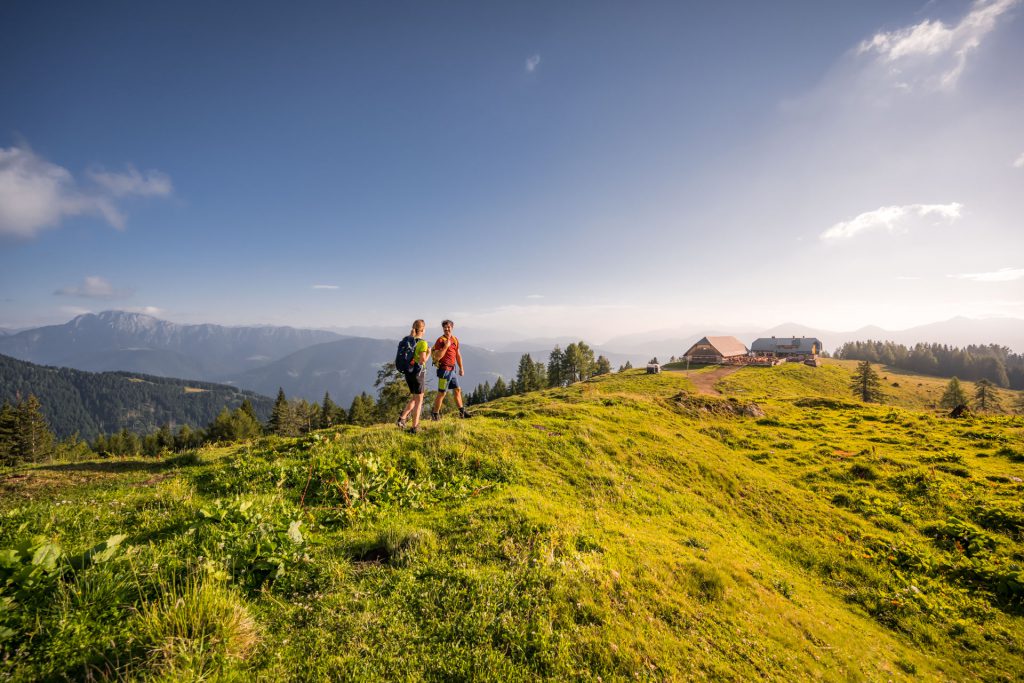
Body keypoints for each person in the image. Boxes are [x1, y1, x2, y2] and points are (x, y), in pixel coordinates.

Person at [430, 319, 471, 420]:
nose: (446, 329)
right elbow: (437, 357)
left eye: (448, 327)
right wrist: (446, 347)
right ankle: (435, 414)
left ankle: (462, 412)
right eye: (445, 327)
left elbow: (458, 355)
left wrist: (461, 368)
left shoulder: (455, 339)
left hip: (452, 370)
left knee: (457, 390)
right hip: (444, 371)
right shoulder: (440, 340)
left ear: (452, 328)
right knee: (442, 393)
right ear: (443, 328)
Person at [396, 319, 430, 433]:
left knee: (415, 398)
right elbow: (422, 361)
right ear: (423, 329)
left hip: (408, 373)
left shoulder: (408, 340)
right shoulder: (422, 343)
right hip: (418, 374)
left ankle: (402, 419)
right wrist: (429, 353)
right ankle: (415, 427)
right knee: (419, 400)